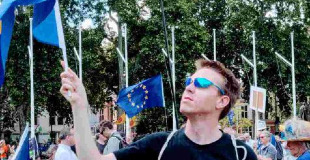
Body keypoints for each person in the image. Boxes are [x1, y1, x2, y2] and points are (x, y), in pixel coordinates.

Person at [60, 59, 257, 160]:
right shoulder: (159, 145)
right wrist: (79, 106)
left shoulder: (240, 154)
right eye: (190, 81)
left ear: (221, 101)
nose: (188, 87)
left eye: (202, 83)